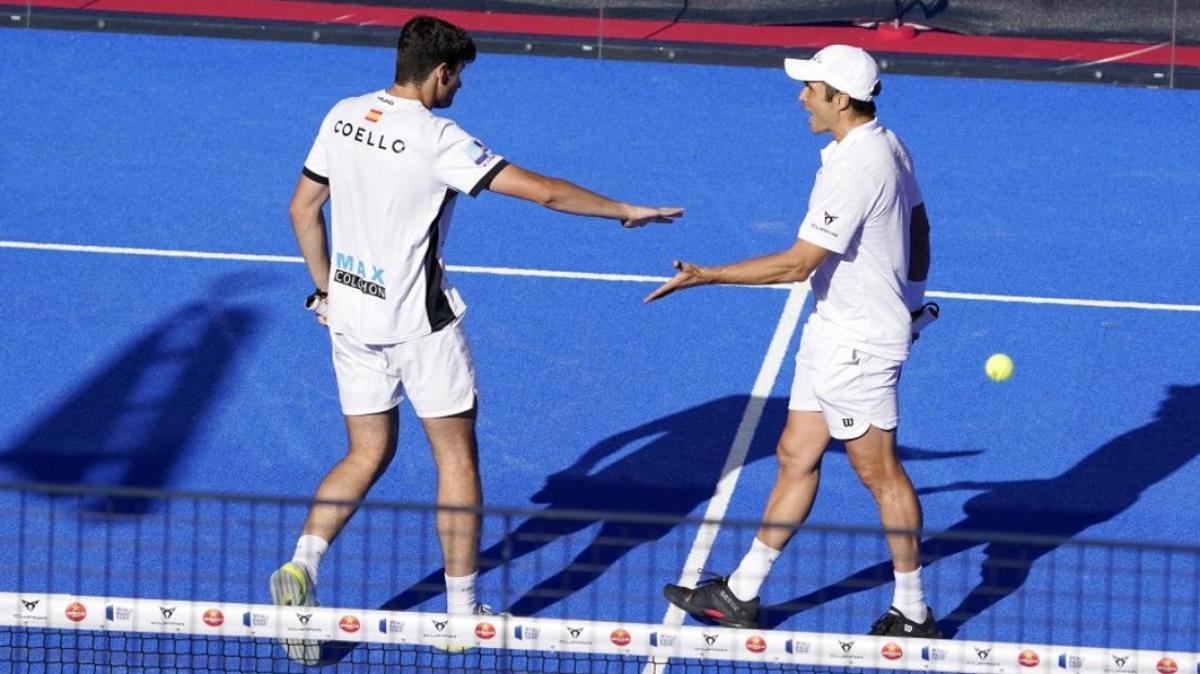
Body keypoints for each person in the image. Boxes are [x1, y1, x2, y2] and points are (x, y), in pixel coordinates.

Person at [275, 14, 682, 662]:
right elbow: (544, 194)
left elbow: (302, 208)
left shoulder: (343, 115)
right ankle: (462, 615)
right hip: (418, 326)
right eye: (458, 75)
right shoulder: (440, 139)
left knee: (364, 454)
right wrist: (625, 209)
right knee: (456, 460)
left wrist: (327, 291)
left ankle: (302, 565)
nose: (460, 86)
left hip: (349, 318)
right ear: (439, 73)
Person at [646, 44, 940, 638]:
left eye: (812, 87)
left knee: (878, 472)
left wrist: (708, 275)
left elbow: (796, 264)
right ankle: (742, 593)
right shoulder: (879, 144)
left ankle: (913, 610)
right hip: (832, 328)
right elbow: (920, 228)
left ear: (841, 97)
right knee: (795, 453)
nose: (802, 95)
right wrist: (911, 297)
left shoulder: (860, 167)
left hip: (858, 343)